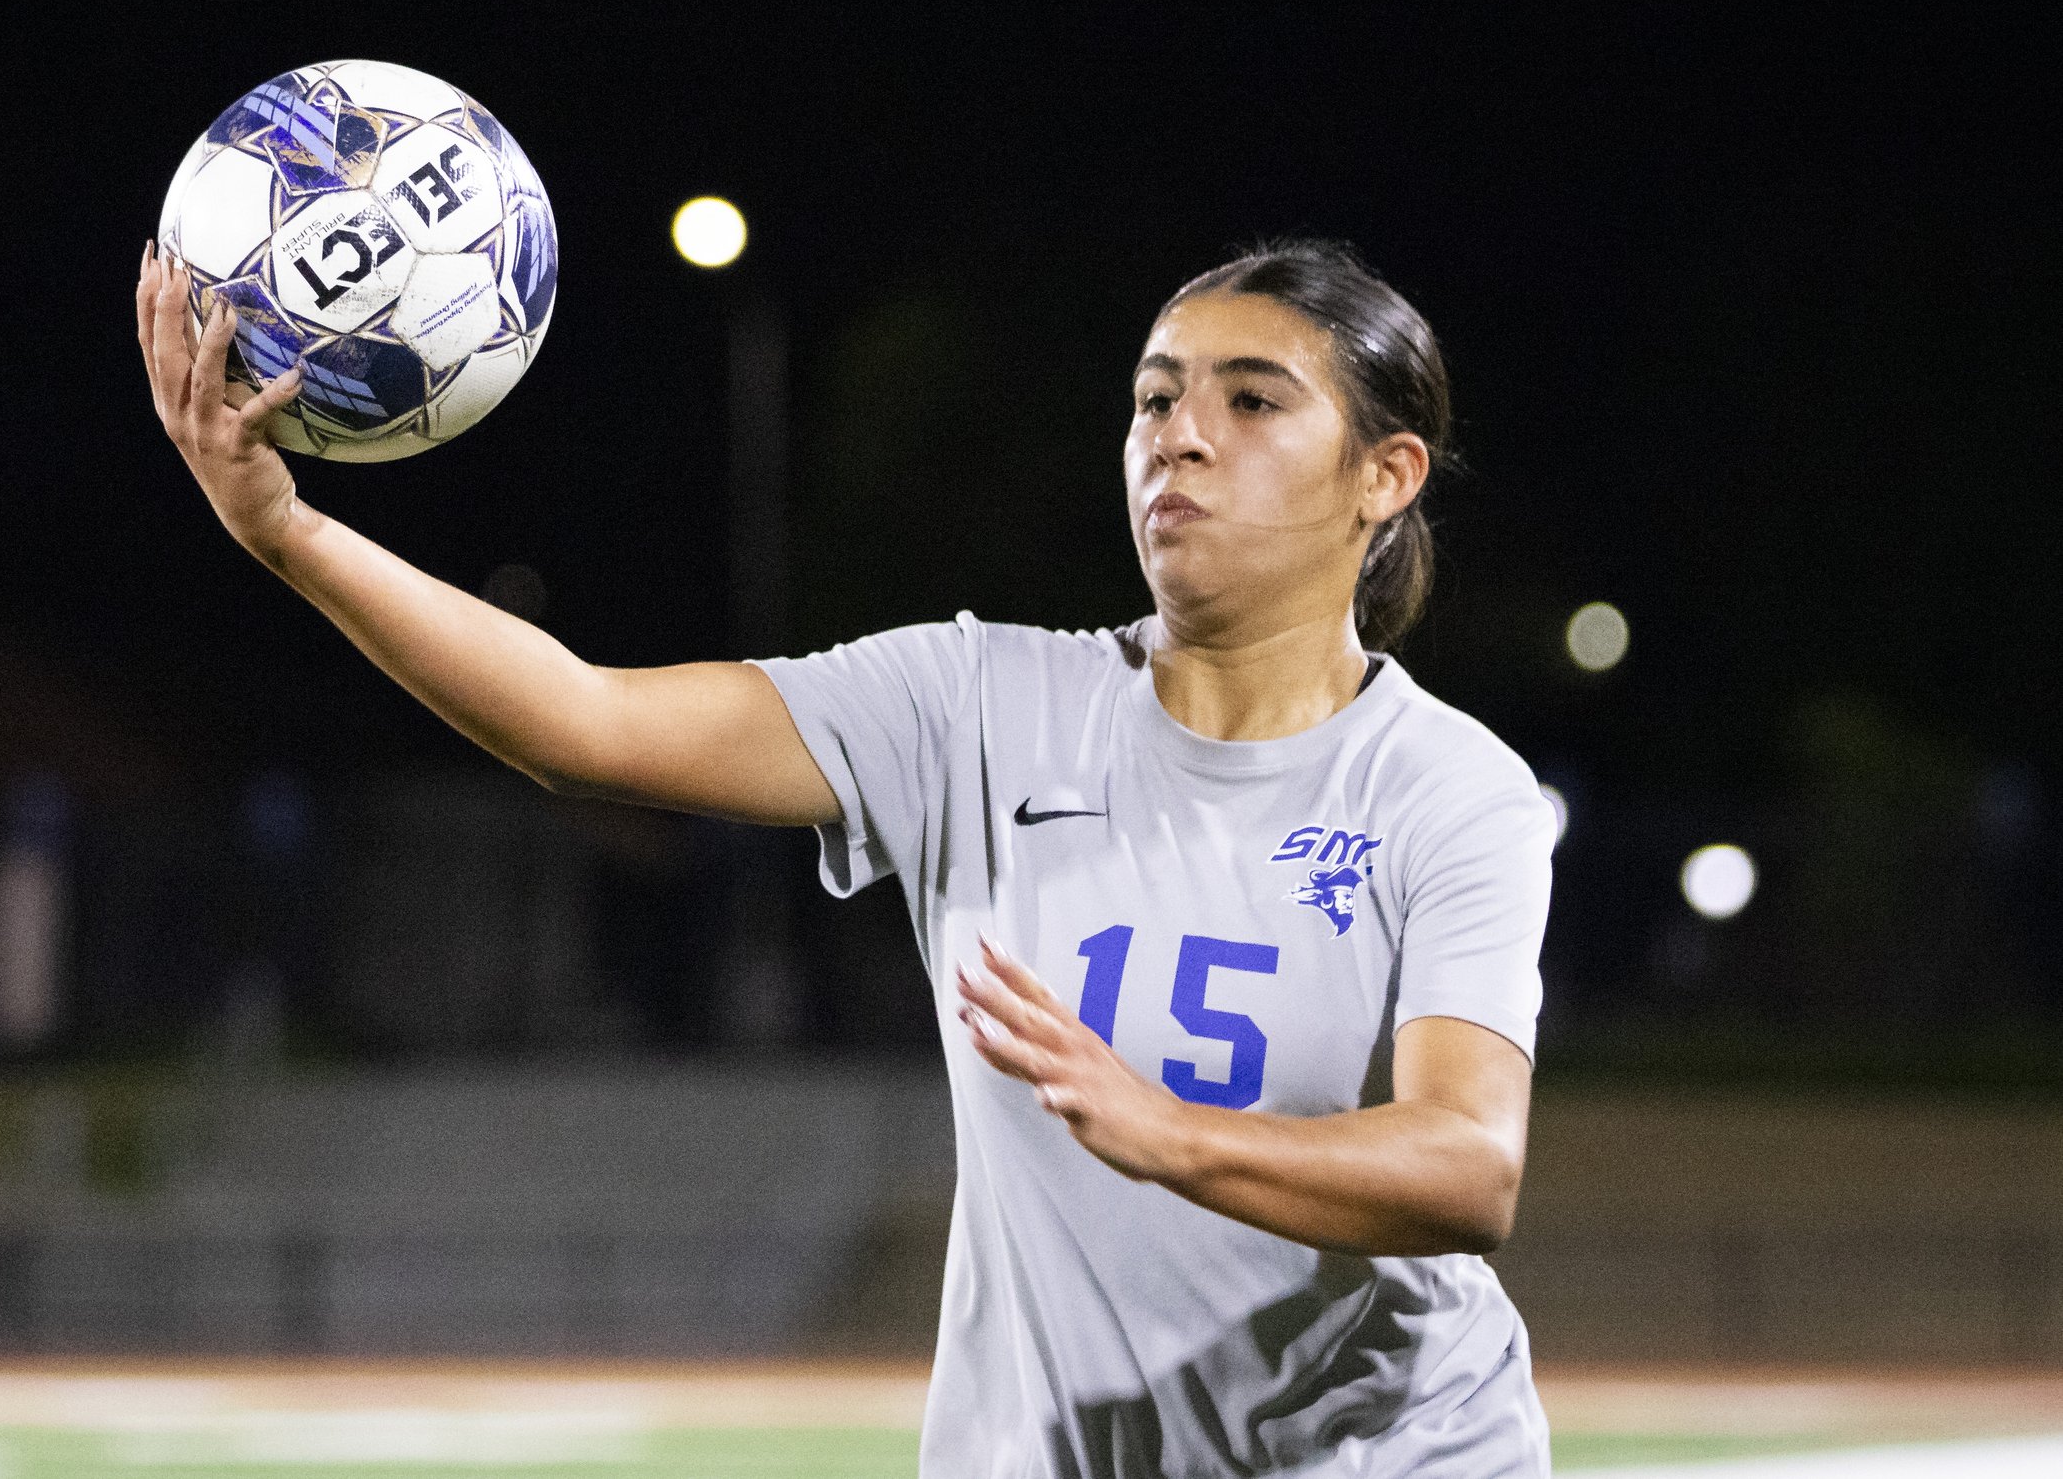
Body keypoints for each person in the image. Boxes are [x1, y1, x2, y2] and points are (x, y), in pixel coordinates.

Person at [135, 236, 1555, 1477]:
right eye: (1155, 396)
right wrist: (285, 533)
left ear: (1386, 475)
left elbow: (1466, 1165)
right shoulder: (974, 706)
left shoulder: (1447, 789)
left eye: (1251, 400)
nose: (1179, 434)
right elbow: (585, 719)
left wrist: (1171, 1135)